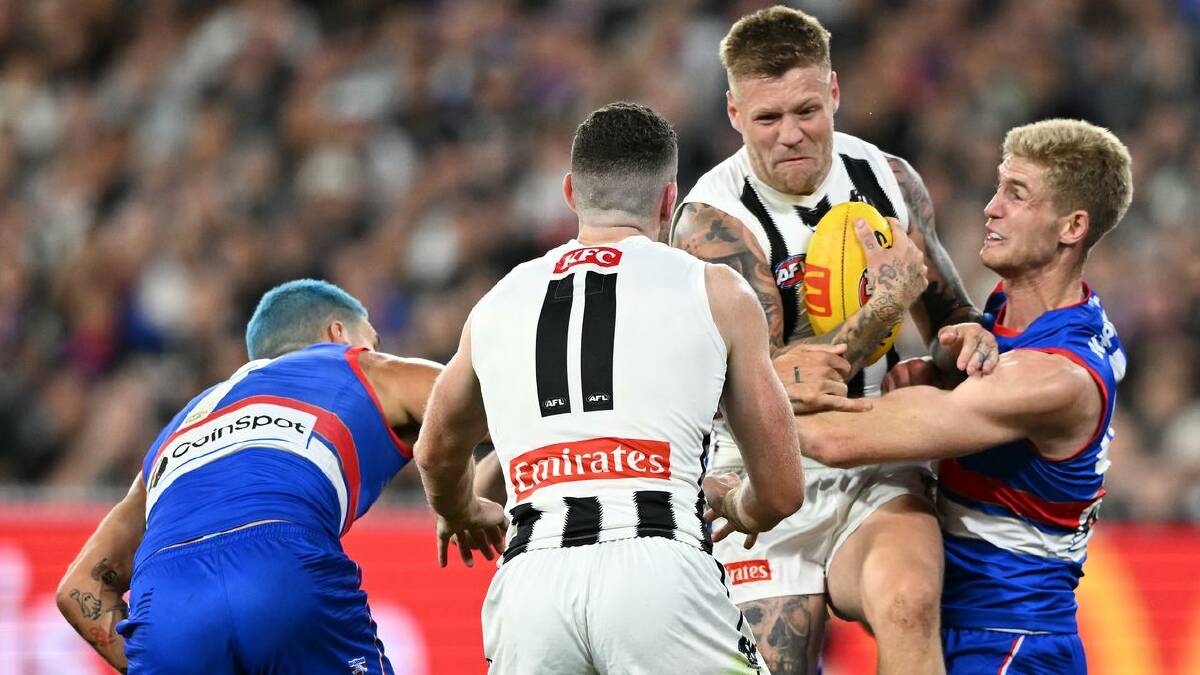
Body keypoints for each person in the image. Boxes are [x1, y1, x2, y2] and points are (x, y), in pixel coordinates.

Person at [415, 102, 825, 674]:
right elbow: (782, 490)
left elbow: (434, 451)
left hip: (532, 582)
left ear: (569, 193)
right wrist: (740, 505)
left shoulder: (499, 301)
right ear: (667, 201)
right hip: (658, 568)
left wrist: (459, 510)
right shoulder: (714, 291)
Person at [670, 6, 999, 674]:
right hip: (758, 483)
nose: (791, 135)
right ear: (735, 113)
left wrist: (958, 349)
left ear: (836, 93)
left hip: (875, 460)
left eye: (807, 110)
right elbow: (772, 390)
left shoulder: (890, 178)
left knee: (908, 602)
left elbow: (952, 320)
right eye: (767, 119)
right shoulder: (714, 223)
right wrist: (887, 304)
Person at [791, 118, 1130, 674]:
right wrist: (940, 374)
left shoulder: (1054, 376)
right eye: (998, 187)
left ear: (1072, 227)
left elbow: (834, 438)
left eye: (1017, 195)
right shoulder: (1012, 313)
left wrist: (724, 396)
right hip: (967, 626)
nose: (990, 208)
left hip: (1009, 644)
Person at [56, 279, 443, 674]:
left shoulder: (177, 429)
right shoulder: (353, 364)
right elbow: (472, 396)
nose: (374, 350)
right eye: (371, 339)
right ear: (337, 334)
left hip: (168, 607)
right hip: (281, 568)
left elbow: (78, 588)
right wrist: (459, 503)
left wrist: (154, 660)